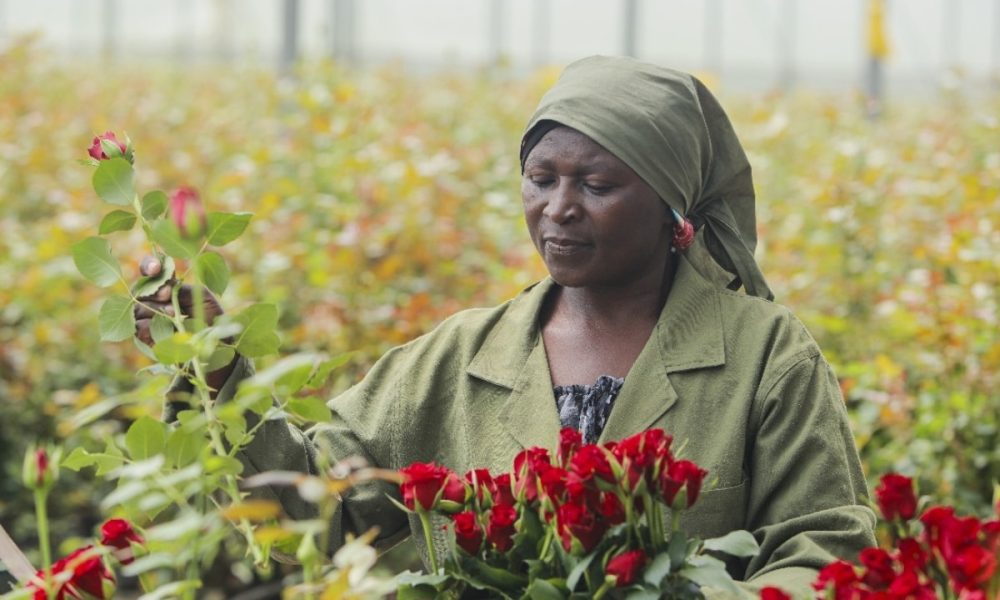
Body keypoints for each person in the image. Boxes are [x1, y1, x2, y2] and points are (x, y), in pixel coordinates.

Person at [135, 55, 876, 596]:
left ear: (670, 206)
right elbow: (305, 508)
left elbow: (826, 549)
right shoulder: (462, 357)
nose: (559, 207)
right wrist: (217, 370)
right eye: (541, 177)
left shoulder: (764, 355)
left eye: (597, 184)